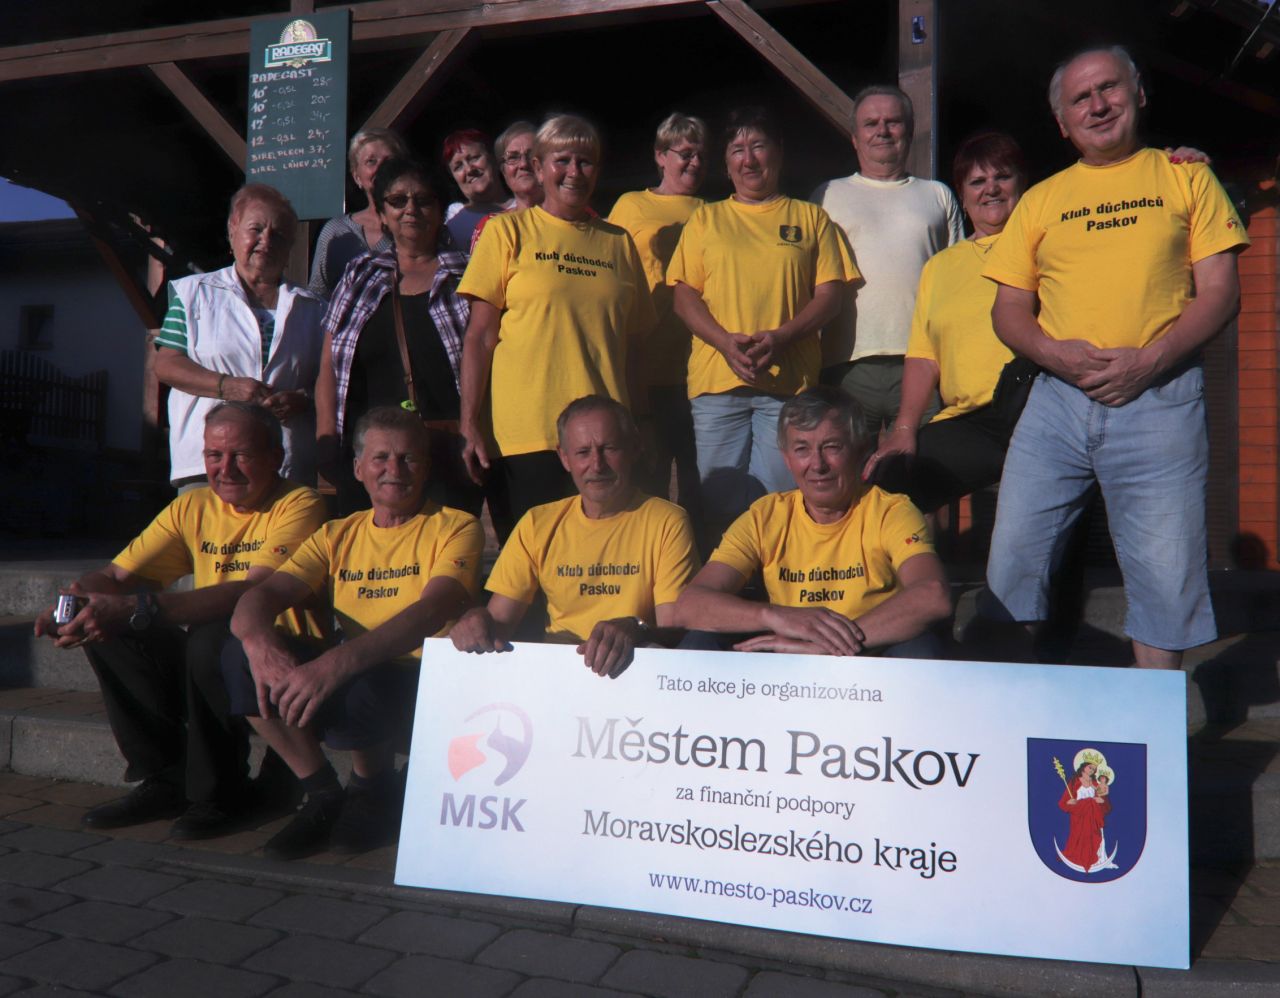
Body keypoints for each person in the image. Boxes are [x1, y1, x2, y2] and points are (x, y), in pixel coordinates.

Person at [981, 46, 1249, 669]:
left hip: (1161, 397)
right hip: (1056, 402)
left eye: (1109, 88)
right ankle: (1006, 709)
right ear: (1062, 122)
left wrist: (1150, 361)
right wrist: (1054, 354)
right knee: (1013, 566)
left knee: (1165, 581)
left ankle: (1151, 723)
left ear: (1139, 94)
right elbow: (1008, 310)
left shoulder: (1187, 177)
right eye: (1081, 98)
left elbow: (1221, 292)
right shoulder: (1040, 200)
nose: (1097, 105)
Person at [32, 404, 327, 837]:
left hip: (284, 654)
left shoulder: (300, 503)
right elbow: (116, 576)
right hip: (214, 657)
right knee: (109, 627)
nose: (225, 469)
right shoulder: (194, 505)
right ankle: (167, 778)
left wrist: (138, 608)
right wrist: (77, 601)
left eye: (241, 455)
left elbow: (252, 592)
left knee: (209, 637)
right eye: (214, 455)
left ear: (275, 457)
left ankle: (219, 794)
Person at [227, 406, 484, 859]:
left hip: (423, 678)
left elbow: (432, 610)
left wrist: (334, 663)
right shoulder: (335, 533)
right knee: (236, 657)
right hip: (353, 669)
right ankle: (322, 791)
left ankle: (372, 787)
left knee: (363, 676)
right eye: (380, 457)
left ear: (425, 467)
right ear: (359, 468)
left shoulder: (457, 526)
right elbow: (259, 597)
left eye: (408, 458)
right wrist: (258, 642)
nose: (393, 470)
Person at [458, 114, 655, 540]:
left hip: (604, 440)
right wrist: (469, 422)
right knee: (532, 564)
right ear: (540, 166)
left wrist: (641, 422)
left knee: (602, 558)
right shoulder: (506, 232)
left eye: (585, 161)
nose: (574, 172)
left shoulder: (619, 242)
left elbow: (636, 346)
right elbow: (479, 337)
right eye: (562, 160)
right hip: (525, 435)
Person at [669, 107, 858, 542]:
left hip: (788, 386)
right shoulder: (706, 219)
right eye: (737, 149)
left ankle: (773, 580)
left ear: (779, 153)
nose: (749, 159)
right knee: (719, 502)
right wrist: (724, 343)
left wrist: (783, 337)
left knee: (780, 498)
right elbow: (684, 297)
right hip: (717, 383)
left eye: (758, 146)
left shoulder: (810, 218)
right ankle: (730, 581)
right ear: (726, 164)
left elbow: (830, 296)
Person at [671, 387, 949, 656]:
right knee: (699, 641)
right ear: (786, 458)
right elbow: (689, 605)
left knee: (921, 648)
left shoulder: (890, 510)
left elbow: (933, 594)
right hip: (789, 663)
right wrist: (774, 616)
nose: (817, 465)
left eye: (832, 447)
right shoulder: (764, 516)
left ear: (860, 450)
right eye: (802, 449)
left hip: (867, 658)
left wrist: (832, 645)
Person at [451, 396, 698, 678]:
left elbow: (672, 628)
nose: (597, 464)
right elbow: (499, 621)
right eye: (582, 452)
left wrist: (635, 628)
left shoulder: (667, 521)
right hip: (560, 673)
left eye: (609, 448)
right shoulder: (537, 523)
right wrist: (476, 622)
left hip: (634, 670)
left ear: (634, 448)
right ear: (564, 457)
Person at [860, 131, 1031, 512]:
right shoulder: (940, 267)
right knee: (889, 481)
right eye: (977, 182)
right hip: (971, 421)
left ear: (1022, 184)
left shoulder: (1043, 242)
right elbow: (924, 357)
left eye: (1002, 177)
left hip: (1037, 412)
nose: (991, 189)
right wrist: (904, 429)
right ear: (962, 198)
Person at [314, 158, 479, 517]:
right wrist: (325, 436)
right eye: (398, 200)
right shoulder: (359, 275)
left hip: (446, 451)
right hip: (369, 454)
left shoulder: (470, 275)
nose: (411, 209)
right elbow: (328, 364)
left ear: (441, 210)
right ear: (382, 213)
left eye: (423, 200)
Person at [812, 85, 964, 437]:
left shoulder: (937, 195)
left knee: (922, 464)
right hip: (846, 363)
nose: (882, 130)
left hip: (923, 361)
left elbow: (957, 282)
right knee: (845, 465)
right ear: (855, 138)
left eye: (893, 122)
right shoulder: (826, 195)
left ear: (909, 132)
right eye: (871, 123)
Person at [155, 184, 325, 489]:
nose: (266, 241)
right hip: (208, 464)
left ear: (290, 247)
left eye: (279, 235)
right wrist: (227, 386)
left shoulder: (314, 308)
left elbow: (330, 378)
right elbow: (166, 364)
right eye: (256, 229)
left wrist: (303, 399)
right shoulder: (194, 293)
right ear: (232, 231)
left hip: (283, 463)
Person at [608, 112, 708, 518]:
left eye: (701, 155)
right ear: (660, 156)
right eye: (685, 153)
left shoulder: (712, 211)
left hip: (699, 371)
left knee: (701, 486)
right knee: (647, 482)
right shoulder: (631, 205)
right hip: (645, 370)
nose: (695, 163)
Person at [308, 128, 409, 299]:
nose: (381, 167)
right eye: (371, 161)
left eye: (389, 160)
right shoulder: (336, 230)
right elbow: (317, 297)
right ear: (357, 177)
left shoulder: (417, 222)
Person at [466, 120, 544, 254]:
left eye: (531, 155)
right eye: (513, 158)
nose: (523, 164)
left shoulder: (572, 218)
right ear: (503, 171)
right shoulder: (491, 227)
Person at [441, 128, 513, 251]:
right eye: (458, 167)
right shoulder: (452, 226)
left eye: (474, 158)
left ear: (493, 157)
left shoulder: (530, 203)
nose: (469, 169)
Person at [1057, 759, 1112, 872]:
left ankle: (1096, 860)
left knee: (1094, 838)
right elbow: (1063, 803)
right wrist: (1069, 802)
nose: (1092, 770)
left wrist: (1101, 801)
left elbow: (1106, 803)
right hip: (1079, 816)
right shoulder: (1074, 782)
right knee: (1077, 837)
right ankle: (1077, 858)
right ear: (1083, 767)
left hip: (1093, 817)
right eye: (1090, 767)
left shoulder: (1096, 784)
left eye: (1094, 769)